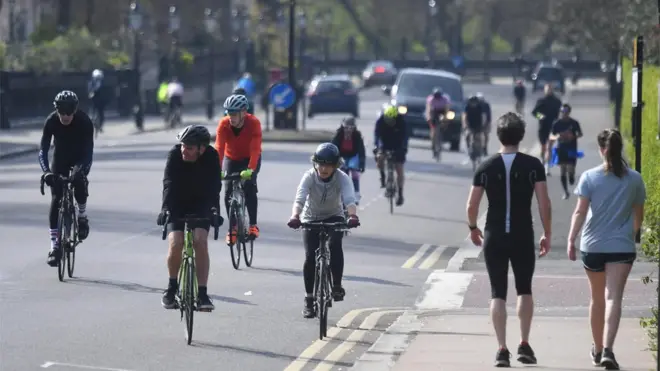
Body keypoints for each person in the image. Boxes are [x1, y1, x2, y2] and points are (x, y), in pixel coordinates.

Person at [466, 112, 552, 367]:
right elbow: (544, 203)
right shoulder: (533, 166)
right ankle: (524, 344)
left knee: (497, 293)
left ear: (498, 135)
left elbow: (472, 204)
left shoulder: (485, 166)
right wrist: (547, 232)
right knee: (524, 288)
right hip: (522, 233)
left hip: (494, 235)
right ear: (521, 135)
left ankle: (502, 349)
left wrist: (473, 227)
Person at [566, 129, 646, 370]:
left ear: (602, 150)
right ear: (619, 148)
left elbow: (580, 211)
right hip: (621, 246)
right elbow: (638, 216)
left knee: (596, 298)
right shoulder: (634, 179)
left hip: (593, 245)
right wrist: (628, 235)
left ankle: (597, 348)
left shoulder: (589, 177)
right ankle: (609, 349)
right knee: (614, 297)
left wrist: (571, 239)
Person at [286, 143, 361, 318]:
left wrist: (352, 216)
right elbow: (300, 198)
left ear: (336, 165)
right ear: (315, 163)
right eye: (320, 164)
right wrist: (295, 216)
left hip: (334, 217)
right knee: (310, 257)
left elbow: (350, 199)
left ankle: (336, 286)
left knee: (335, 245)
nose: (324, 168)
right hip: (310, 218)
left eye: (329, 165)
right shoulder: (309, 176)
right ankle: (309, 299)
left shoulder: (342, 178)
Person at [157, 125, 223, 311]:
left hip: (201, 202)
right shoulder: (175, 155)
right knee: (176, 242)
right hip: (177, 201)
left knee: (200, 241)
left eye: (190, 147)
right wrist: (165, 209)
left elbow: (214, 187)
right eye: (183, 145)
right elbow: (168, 183)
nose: (184, 150)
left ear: (202, 148)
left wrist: (214, 211)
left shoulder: (211, 156)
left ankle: (202, 293)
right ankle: (172, 287)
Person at [39, 91, 94, 267]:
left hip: (80, 158)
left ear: (75, 110)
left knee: (79, 182)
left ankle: (82, 216)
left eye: (69, 112)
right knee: (56, 198)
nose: (65, 116)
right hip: (60, 159)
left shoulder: (85, 122)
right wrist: (46, 172)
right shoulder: (51, 121)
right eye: (61, 112)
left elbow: (89, 152)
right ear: (56, 110)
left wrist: (82, 171)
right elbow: (43, 149)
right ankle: (54, 247)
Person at [215, 94, 263, 244]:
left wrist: (251, 169)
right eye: (229, 113)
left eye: (235, 113)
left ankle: (253, 226)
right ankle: (233, 228)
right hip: (232, 158)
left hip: (250, 158)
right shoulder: (224, 124)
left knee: (249, 186)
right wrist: (217, 168)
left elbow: (255, 148)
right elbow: (219, 148)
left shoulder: (253, 123)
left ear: (244, 113)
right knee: (228, 189)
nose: (231, 117)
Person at [374, 105, 408, 206]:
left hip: (398, 145)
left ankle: (400, 193)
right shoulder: (380, 121)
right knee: (380, 158)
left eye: (392, 119)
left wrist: (404, 148)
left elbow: (405, 137)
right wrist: (378, 147)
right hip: (385, 143)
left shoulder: (401, 122)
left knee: (399, 168)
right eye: (388, 119)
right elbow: (377, 136)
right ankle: (383, 176)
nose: (390, 122)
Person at [548, 104, 583, 199]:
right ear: (560, 112)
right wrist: (557, 137)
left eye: (566, 112)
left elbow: (580, 134)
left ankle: (571, 175)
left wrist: (573, 136)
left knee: (571, 168)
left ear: (569, 112)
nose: (564, 114)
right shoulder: (556, 123)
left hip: (572, 148)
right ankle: (566, 192)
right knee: (563, 170)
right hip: (561, 148)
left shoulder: (574, 123)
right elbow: (551, 136)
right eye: (562, 112)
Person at [531, 84, 562, 175]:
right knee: (543, 147)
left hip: (553, 127)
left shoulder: (557, 101)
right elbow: (534, 112)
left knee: (549, 147)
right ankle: (542, 162)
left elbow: (560, 113)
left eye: (550, 89)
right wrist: (541, 117)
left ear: (552, 90)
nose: (549, 91)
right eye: (547, 89)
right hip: (543, 127)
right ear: (545, 90)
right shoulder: (541, 101)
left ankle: (547, 167)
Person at [425, 88, 451, 159]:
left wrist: (445, 120)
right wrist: (428, 118)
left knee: (443, 121)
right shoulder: (431, 99)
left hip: (442, 112)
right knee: (433, 131)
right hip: (434, 112)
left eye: (438, 97)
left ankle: (441, 134)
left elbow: (447, 110)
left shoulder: (445, 99)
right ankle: (433, 145)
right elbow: (428, 110)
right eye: (436, 97)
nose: (437, 98)